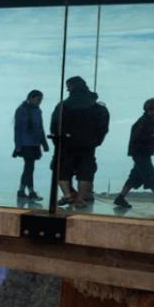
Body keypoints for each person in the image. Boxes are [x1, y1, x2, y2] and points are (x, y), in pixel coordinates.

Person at [50, 76, 109, 208]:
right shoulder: (96, 106)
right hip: (87, 144)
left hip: (66, 143)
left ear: (71, 86)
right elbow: (103, 126)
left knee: (61, 169)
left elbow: (54, 124)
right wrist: (96, 141)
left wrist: (58, 142)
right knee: (85, 171)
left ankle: (67, 195)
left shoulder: (63, 105)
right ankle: (81, 199)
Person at [113, 98, 154, 211]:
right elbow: (137, 137)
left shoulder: (148, 120)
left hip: (141, 153)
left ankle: (120, 198)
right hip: (141, 154)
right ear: (150, 108)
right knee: (151, 175)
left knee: (134, 177)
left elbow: (142, 137)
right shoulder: (145, 121)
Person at [13, 90, 50, 200]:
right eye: (38, 99)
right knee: (29, 167)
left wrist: (44, 143)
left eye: (40, 99)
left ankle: (25, 191)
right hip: (26, 143)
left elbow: (40, 128)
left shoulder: (37, 110)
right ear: (31, 98)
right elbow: (18, 129)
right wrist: (18, 145)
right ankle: (27, 191)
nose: (39, 102)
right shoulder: (22, 110)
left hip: (34, 143)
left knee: (29, 167)